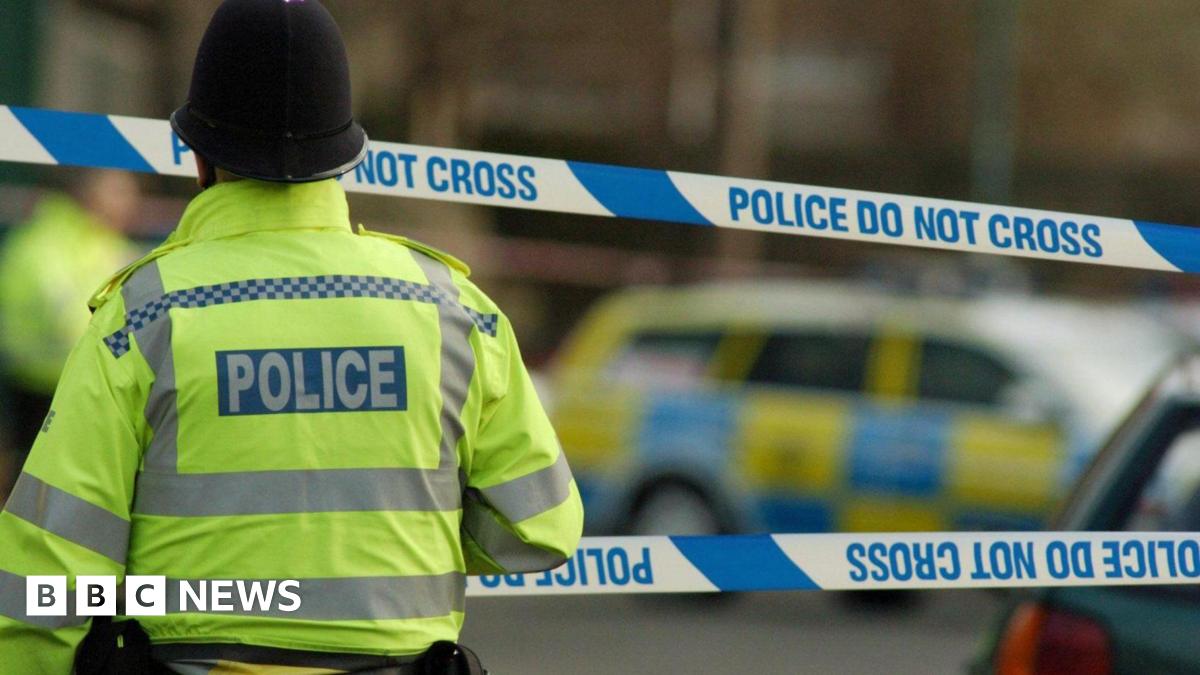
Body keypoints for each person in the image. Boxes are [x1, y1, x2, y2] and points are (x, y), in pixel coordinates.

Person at [0, 1, 583, 672]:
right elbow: (544, 527)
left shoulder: (140, 318)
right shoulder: (455, 312)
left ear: (198, 157)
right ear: (345, 158)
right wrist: (389, 538)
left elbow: (44, 582)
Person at [0, 170, 141, 499]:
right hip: (42, 383)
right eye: (118, 194)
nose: (129, 205)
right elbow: (66, 320)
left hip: (72, 382)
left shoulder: (108, 246)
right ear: (88, 196)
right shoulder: (50, 244)